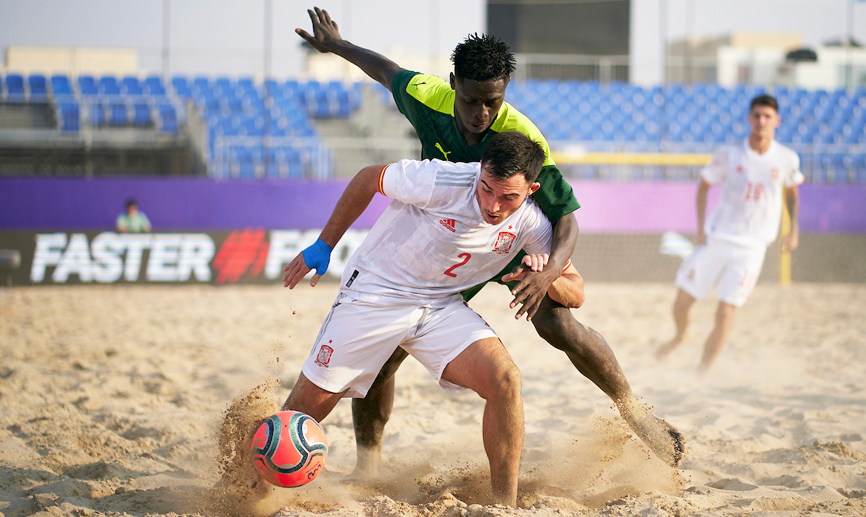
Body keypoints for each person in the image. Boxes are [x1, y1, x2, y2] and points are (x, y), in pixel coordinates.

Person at [294, 7, 685, 473]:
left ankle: (633, 410)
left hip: (507, 237)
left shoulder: (523, 138)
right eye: (472, 100)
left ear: (505, 92)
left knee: (557, 323)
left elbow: (567, 220)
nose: (481, 113)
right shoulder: (427, 96)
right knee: (385, 355)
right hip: (444, 237)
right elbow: (385, 70)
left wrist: (547, 274)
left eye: (492, 102)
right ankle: (369, 466)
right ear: (453, 83)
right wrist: (337, 46)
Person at [281, 132, 585, 506]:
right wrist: (324, 244)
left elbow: (577, 292)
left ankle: (503, 506)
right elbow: (368, 178)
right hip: (376, 293)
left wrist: (545, 276)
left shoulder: (532, 223)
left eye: (508, 197)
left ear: (531, 189)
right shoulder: (442, 179)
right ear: (480, 171)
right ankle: (248, 486)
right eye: (487, 188)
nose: (493, 205)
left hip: (440, 306)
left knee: (506, 379)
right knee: (301, 412)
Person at [656, 94, 803, 373]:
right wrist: (700, 228)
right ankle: (680, 335)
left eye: (767, 116)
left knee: (725, 312)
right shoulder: (729, 153)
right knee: (680, 304)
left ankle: (701, 374)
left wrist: (793, 230)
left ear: (777, 121)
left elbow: (792, 193)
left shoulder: (787, 158)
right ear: (749, 118)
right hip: (717, 238)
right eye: (757, 115)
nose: (761, 121)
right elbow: (704, 185)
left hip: (753, 246)